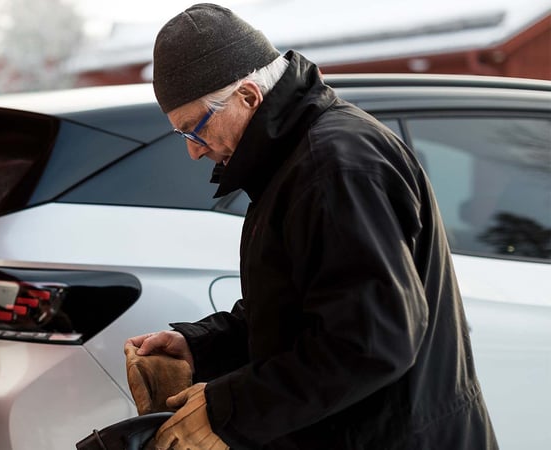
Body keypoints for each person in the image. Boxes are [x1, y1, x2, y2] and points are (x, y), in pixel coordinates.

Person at [124, 3, 499, 449]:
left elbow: (369, 342)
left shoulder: (333, 166)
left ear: (248, 97)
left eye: (195, 129)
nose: (194, 151)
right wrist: (200, 346)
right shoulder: (295, 163)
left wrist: (227, 409)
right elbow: (304, 313)